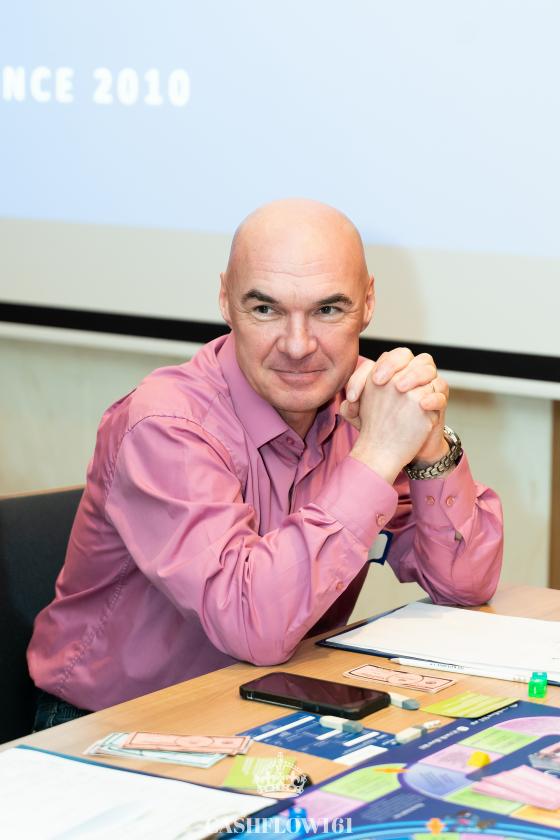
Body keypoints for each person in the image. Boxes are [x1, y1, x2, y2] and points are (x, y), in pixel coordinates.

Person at [28, 199, 503, 727]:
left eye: (328, 310)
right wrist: (379, 455)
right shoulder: (165, 425)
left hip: (269, 701)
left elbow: (464, 586)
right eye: (265, 310)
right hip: (111, 725)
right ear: (225, 301)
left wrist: (430, 446)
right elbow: (252, 625)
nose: (297, 346)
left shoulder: (365, 401)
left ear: (367, 303)